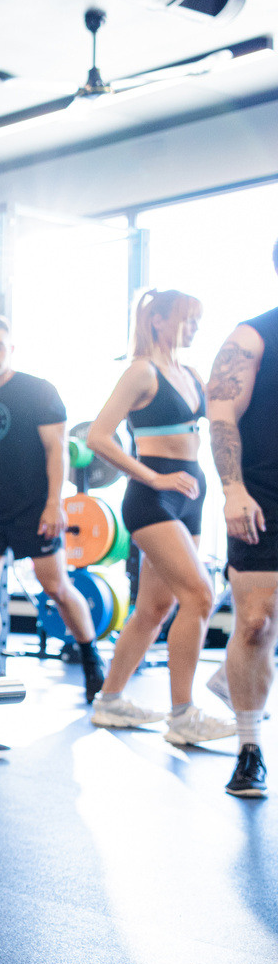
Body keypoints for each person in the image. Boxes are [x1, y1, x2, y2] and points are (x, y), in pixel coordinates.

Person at [85, 291, 234, 745]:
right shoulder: (141, 372)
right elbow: (97, 436)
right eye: (188, 320)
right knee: (201, 597)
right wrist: (154, 477)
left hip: (190, 495)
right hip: (154, 500)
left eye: (198, 320)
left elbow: (229, 414)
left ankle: (109, 702)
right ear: (157, 321)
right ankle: (183, 715)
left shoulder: (189, 372)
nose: (195, 329)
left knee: (155, 608)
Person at [0, 317, 106, 702]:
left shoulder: (38, 391)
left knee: (55, 586)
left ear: (11, 348)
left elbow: (57, 449)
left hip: (33, 505)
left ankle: (91, 657)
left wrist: (55, 504)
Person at [202, 244, 278, 798]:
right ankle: (249, 747)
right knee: (255, 623)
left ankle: (240, 685)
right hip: (263, 495)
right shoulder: (251, 337)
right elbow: (222, 412)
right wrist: (232, 489)